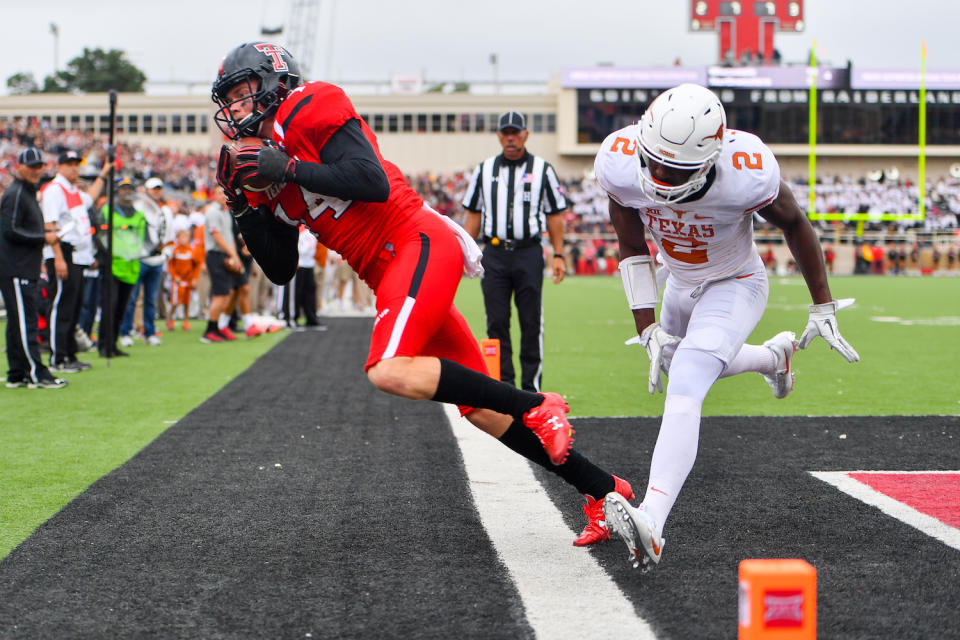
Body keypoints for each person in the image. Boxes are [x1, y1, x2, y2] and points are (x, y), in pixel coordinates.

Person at [211, 41, 632, 545]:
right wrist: (244, 206)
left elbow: (372, 181)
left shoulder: (310, 105)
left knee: (389, 369)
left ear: (275, 79)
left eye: (243, 92)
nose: (236, 107)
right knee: (482, 410)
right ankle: (605, 491)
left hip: (414, 239)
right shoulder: (261, 167)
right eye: (229, 99)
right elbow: (279, 268)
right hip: (387, 270)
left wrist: (291, 168)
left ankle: (537, 402)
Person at [593, 84, 860, 570]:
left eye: (675, 169)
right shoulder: (619, 159)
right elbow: (630, 240)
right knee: (680, 362)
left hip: (735, 281)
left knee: (690, 377)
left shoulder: (745, 172)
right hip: (677, 280)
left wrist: (822, 305)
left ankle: (652, 519)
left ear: (710, 159)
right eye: (652, 162)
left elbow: (795, 223)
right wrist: (647, 326)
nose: (659, 176)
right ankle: (772, 358)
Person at [461, 111, 567, 392]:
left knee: (531, 321)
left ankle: (530, 389)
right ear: (498, 135)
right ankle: (503, 387)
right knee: (496, 322)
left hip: (528, 252)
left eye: (516, 132)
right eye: (506, 132)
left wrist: (558, 254)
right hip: (494, 253)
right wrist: (465, 252)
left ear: (525, 135)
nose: (510, 137)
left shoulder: (543, 169)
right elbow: (473, 214)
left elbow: (555, 215)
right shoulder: (484, 170)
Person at [0, 148, 68, 389]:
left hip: (21, 268)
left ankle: (18, 373)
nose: (36, 170)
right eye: (31, 166)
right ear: (19, 167)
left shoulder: (26, 193)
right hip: (16, 269)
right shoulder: (16, 194)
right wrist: (43, 237)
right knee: (25, 322)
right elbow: (10, 230)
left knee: (18, 321)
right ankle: (37, 373)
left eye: (39, 166)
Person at [40, 149, 110, 372]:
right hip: (63, 253)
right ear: (60, 166)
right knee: (62, 306)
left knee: (74, 306)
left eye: (76, 164)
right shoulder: (54, 190)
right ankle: (57, 357)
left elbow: (91, 198)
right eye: (69, 164)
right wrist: (58, 257)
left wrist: (103, 174)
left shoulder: (73, 191)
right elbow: (50, 225)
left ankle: (69, 353)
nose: (74, 168)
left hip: (78, 256)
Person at [97, 177, 151, 358]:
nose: (126, 192)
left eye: (129, 188)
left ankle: (113, 344)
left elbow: (144, 240)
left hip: (131, 267)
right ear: (117, 191)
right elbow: (100, 236)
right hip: (113, 266)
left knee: (122, 308)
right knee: (109, 307)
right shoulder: (107, 210)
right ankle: (104, 345)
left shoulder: (139, 214)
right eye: (123, 189)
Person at [120, 176, 175, 347]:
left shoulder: (165, 211)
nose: (156, 192)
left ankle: (149, 332)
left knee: (150, 300)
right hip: (140, 259)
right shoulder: (137, 208)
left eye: (159, 189)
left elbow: (169, 235)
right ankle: (126, 331)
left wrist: (166, 254)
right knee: (132, 298)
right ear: (146, 190)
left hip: (156, 260)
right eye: (154, 189)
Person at [200, 185, 244, 343]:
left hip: (224, 254)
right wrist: (233, 254)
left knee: (227, 293)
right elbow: (217, 236)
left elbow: (229, 237)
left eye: (223, 193)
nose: (222, 196)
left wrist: (235, 256)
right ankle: (210, 330)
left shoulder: (225, 212)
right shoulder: (213, 212)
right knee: (220, 294)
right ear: (213, 195)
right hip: (215, 255)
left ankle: (217, 327)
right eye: (218, 193)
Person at [166, 228, 203, 332]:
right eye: (181, 237)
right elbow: (170, 265)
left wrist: (195, 279)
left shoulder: (191, 250)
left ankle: (186, 321)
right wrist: (174, 276)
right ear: (177, 238)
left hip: (188, 281)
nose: (184, 239)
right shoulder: (175, 250)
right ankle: (170, 319)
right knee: (175, 301)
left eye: (186, 237)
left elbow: (197, 265)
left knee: (187, 302)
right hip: (177, 281)